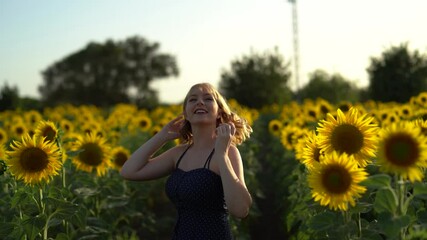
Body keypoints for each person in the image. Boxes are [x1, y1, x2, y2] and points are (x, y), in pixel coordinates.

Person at [120, 82, 253, 239]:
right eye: (193, 99)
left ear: (219, 112)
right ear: (186, 114)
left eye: (208, 98)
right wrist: (161, 137)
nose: (200, 102)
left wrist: (222, 155)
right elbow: (129, 171)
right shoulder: (179, 154)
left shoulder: (228, 152)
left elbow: (241, 209)